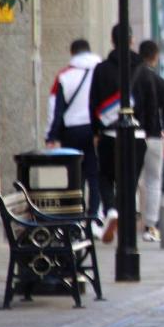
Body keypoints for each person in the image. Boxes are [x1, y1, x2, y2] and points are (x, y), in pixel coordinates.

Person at [89, 25, 157, 244]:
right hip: (137, 135)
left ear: (112, 41)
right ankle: (121, 218)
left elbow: (93, 102)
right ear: (132, 40)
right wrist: (149, 131)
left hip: (109, 133)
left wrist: (96, 130)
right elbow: (151, 104)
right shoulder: (143, 71)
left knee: (105, 176)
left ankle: (111, 209)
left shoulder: (101, 70)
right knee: (129, 181)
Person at [45, 39, 102, 216]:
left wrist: (51, 136)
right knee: (95, 175)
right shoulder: (100, 71)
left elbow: (56, 109)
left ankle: (76, 215)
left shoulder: (64, 75)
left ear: (72, 53)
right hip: (95, 130)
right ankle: (94, 216)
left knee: (75, 176)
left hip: (71, 131)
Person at [136, 41, 164, 243]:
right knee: (153, 181)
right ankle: (150, 226)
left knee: (132, 181)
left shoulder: (131, 80)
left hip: (133, 137)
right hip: (153, 137)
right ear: (155, 57)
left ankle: (129, 221)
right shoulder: (160, 83)